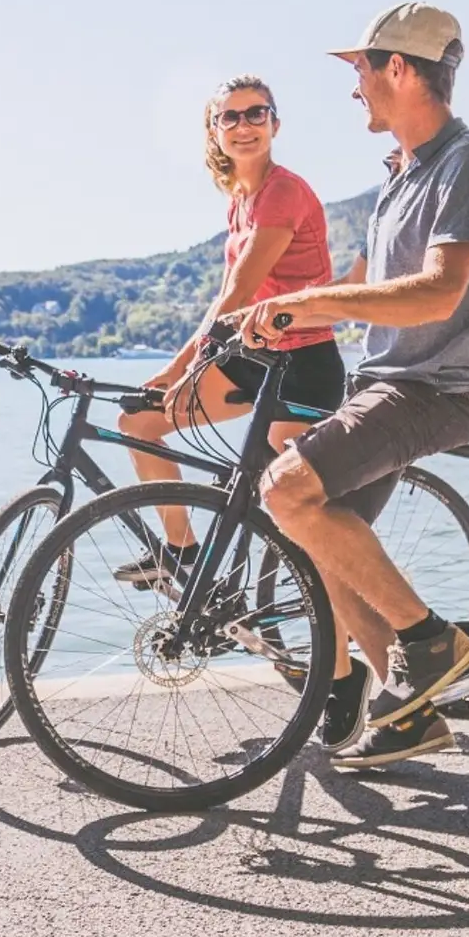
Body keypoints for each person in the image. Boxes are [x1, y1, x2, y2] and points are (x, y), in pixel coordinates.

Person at [226, 2, 469, 769]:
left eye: (361, 66)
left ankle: (428, 642)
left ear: (399, 68)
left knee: (286, 490)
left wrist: (307, 301)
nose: (353, 84)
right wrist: (285, 313)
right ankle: (411, 707)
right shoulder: (402, 176)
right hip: (385, 383)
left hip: (433, 389)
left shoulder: (467, 164)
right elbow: (372, 283)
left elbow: (436, 294)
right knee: (318, 536)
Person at [111, 75, 346, 588]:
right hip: (253, 357)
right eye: (230, 117)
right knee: (140, 423)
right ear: (214, 131)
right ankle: (183, 552)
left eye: (256, 114)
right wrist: (176, 374)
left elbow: (237, 296)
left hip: (303, 365)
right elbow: (228, 297)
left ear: (275, 124)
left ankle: (334, 622)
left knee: (293, 515)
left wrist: (181, 369)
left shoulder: (284, 192)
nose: (244, 126)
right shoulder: (242, 198)